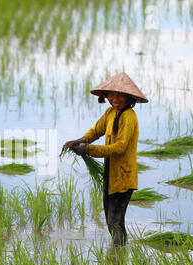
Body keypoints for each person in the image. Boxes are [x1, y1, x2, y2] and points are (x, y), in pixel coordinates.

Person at [61, 72, 149, 246]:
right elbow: (95, 131)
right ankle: (118, 259)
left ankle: (118, 257)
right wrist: (77, 142)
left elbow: (120, 148)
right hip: (110, 175)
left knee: (115, 222)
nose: (116, 99)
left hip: (123, 177)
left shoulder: (129, 117)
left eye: (120, 95)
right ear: (107, 97)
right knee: (111, 222)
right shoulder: (110, 113)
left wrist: (88, 149)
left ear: (128, 97)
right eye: (113, 95)